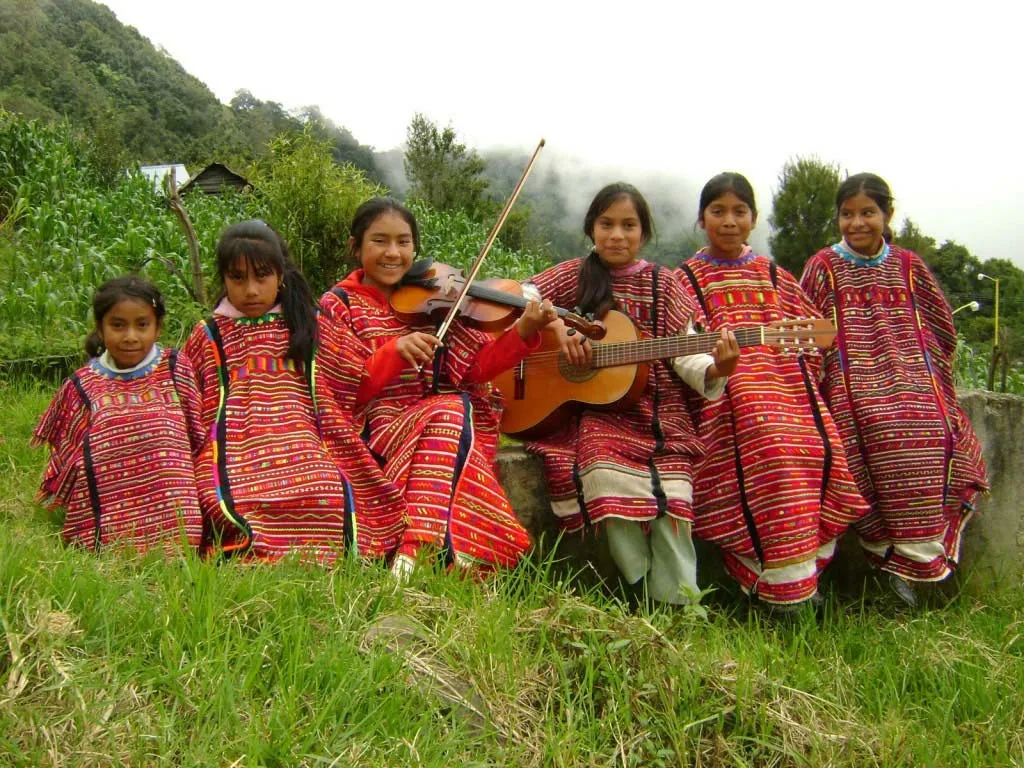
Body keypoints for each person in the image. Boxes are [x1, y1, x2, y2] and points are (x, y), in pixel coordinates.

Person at [521, 182, 740, 606]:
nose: (616, 235)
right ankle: (640, 584)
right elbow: (523, 295)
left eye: (628, 225)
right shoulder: (574, 274)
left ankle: (679, 601)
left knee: (673, 498)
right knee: (600, 470)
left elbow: (686, 349)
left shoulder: (665, 283)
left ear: (644, 233)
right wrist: (556, 327)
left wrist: (718, 367)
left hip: (661, 409)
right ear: (591, 229)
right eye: (607, 224)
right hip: (600, 412)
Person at [317, 197, 558, 577]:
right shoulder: (338, 305)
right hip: (372, 432)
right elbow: (341, 389)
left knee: (451, 409)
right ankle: (423, 547)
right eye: (380, 241)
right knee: (449, 409)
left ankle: (431, 551)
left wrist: (524, 331)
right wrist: (393, 352)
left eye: (404, 242)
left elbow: (473, 369)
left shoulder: (437, 302)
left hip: (441, 430)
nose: (393, 253)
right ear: (356, 247)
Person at [677, 172, 869, 610]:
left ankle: (800, 577)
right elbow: (682, 349)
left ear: (753, 219)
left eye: (739, 212)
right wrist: (719, 367)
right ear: (701, 219)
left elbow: (814, 337)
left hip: (786, 385)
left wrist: (794, 373)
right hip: (724, 391)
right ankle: (776, 584)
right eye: (718, 211)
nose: (729, 221)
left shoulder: (775, 275)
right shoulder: (684, 279)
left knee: (820, 444)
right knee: (770, 444)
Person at [800, 173, 988, 607]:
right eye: (847, 214)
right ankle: (885, 562)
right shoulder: (823, 266)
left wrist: (927, 374)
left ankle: (917, 567)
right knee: (864, 428)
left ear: (887, 215)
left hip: (912, 377)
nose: (857, 223)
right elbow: (808, 336)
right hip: (849, 384)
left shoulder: (908, 265)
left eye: (867, 213)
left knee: (935, 428)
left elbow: (941, 326)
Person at [183, 220, 405, 563]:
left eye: (262, 276)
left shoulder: (306, 324)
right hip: (235, 447)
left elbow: (357, 376)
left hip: (306, 437)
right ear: (224, 279)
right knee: (227, 499)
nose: (251, 290)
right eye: (238, 278)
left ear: (280, 275)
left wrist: (398, 351)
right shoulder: (208, 334)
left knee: (327, 487)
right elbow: (190, 400)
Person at [33, 275, 204, 552]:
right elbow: (68, 453)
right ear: (100, 329)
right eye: (118, 325)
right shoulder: (82, 385)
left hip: (179, 519)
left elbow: (198, 433)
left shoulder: (174, 368)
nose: (130, 337)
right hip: (105, 519)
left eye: (142, 325)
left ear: (157, 328)